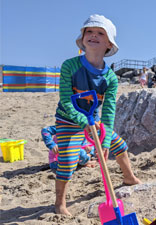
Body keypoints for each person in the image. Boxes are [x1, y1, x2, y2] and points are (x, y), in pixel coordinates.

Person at [54, 14, 141, 216]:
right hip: (68, 119)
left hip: (94, 119)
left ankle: (129, 178)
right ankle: (59, 204)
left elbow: (109, 110)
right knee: (67, 159)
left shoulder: (110, 78)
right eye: (89, 31)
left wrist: (105, 143)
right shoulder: (70, 66)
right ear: (83, 38)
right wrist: (83, 122)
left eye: (100, 33)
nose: (93, 35)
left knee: (119, 145)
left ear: (109, 43)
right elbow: (67, 101)